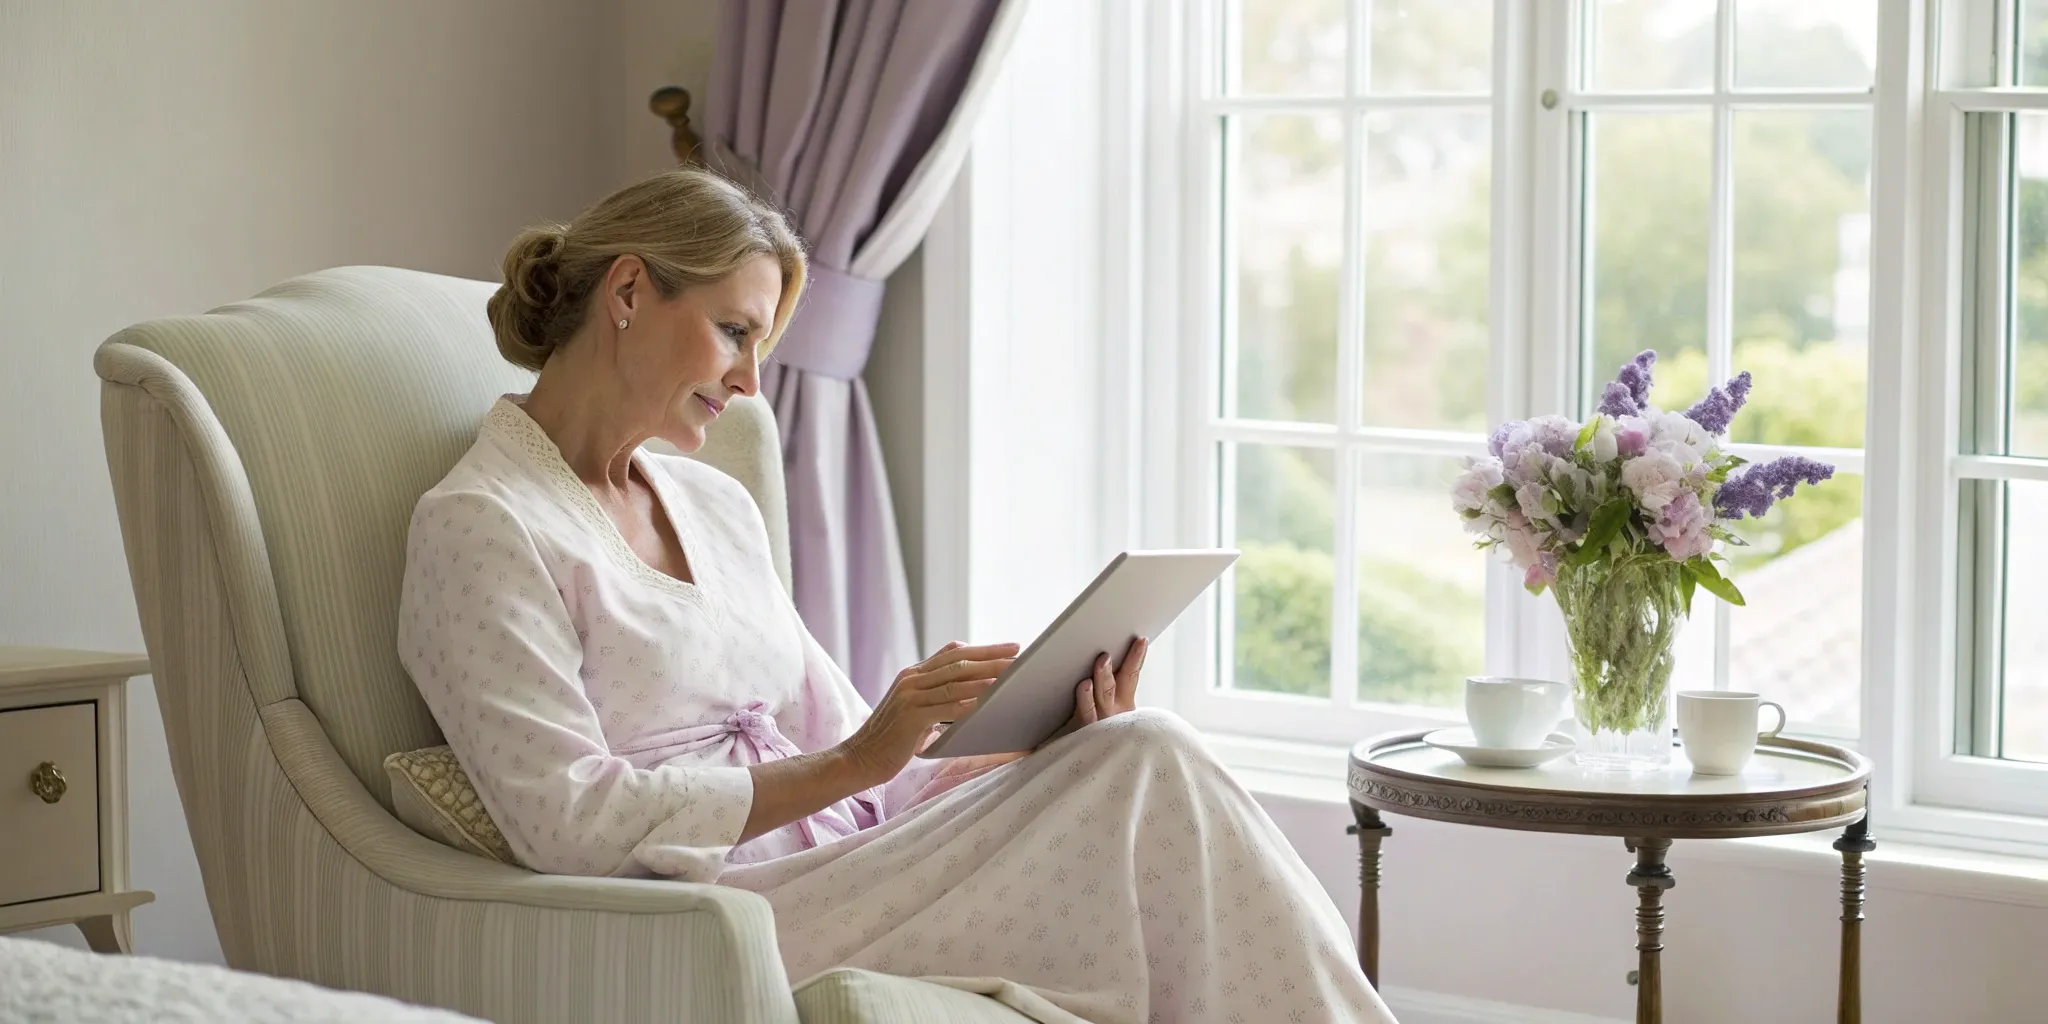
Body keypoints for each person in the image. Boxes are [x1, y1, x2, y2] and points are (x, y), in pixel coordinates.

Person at [396, 167, 1394, 1024]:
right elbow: (566, 822)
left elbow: (869, 779)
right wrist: (859, 756)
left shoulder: (712, 504)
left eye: (761, 347)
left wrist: (1041, 744)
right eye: (733, 332)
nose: (749, 382)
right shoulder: (483, 524)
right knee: (1151, 764)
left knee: (1131, 748)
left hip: (845, 869)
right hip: (711, 913)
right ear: (626, 292)